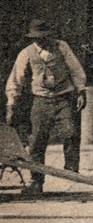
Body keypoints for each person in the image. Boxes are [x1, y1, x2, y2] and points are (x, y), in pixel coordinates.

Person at [5, 18, 88, 196]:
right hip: (41, 100)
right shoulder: (26, 53)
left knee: (71, 132)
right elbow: (15, 79)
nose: (41, 41)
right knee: (36, 142)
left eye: (43, 37)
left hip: (63, 98)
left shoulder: (61, 47)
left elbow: (76, 69)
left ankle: (71, 169)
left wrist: (81, 91)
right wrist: (11, 104)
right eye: (37, 38)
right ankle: (36, 181)